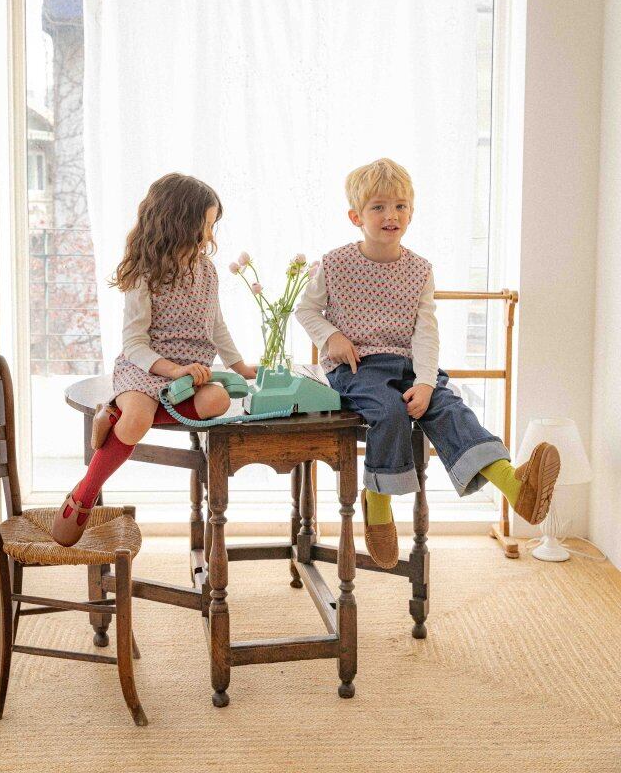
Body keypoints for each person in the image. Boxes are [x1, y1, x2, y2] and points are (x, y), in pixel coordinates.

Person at [295, 157, 560, 569]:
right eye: (379, 207)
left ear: (411, 213)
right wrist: (333, 337)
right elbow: (306, 310)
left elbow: (426, 333)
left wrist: (425, 383)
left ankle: (515, 486)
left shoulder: (419, 270)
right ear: (356, 216)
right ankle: (378, 505)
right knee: (389, 412)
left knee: (450, 408)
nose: (391, 215)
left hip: (408, 365)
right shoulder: (334, 263)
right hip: (357, 367)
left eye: (400, 206)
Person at [52, 173, 257, 546]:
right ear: (179, 223)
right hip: (145, 368)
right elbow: (134, 344)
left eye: (212, 226)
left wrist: (240, 366)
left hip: (190, 374)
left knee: (218, 400)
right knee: (136, 420)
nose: (209, 236)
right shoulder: (144, 274)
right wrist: (172, 369)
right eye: (205, 226)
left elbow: (216, 325)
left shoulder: (206, 270)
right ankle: (85, 493)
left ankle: (114, 416)